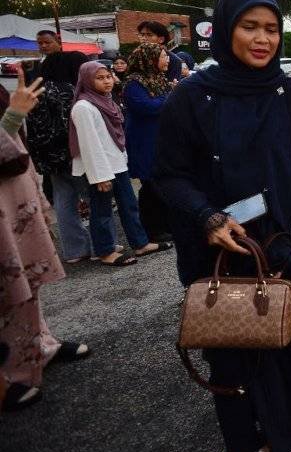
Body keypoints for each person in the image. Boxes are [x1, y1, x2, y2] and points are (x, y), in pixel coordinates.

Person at [154, 0, 291, 452]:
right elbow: (167, 173)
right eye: (250, 26)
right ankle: (239, 448)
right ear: (226, 29)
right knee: (228, 352)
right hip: (216, 247)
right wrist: (207, 218)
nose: (263, 39)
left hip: (277, 247)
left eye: (272, 29)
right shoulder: (192, 97)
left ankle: (283, 440)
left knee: (278, 342)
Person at [1, 71, 91, 413]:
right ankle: (12, 374)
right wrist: (12, 117)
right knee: (8, 291)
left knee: (27, 284)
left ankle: (39, 345)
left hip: (13, 196)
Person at [70, 62, 169, 266]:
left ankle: (140, 243)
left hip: (117, 164)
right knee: (102, 211)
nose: (107, 81)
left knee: (129, 205)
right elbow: (90, 144)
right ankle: (105, 251)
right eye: (100, 78)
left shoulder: (107, 101)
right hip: (101, 169)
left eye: (108, 76)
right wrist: (100, 176)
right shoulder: (83, 107)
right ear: (87, 80)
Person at [25, 53, 92, 264]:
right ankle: (102, 244)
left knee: (63, 201)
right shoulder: (67, 91)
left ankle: (74, 250)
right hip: (72, 154)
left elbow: (33, 129)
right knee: (93, 196)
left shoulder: (37, 92)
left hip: (48, 157)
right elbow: (71, 127)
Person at [123, 43, 173, 242]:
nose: (167, 60)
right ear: (149, 60)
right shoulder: (134, 83)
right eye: (163, 56)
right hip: (143, 141)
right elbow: (148, 107)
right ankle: (153, 229)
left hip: (161, 139)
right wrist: (171, 95)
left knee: (162, 183)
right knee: (152, 185)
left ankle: (165, 225)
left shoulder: (158, 79)